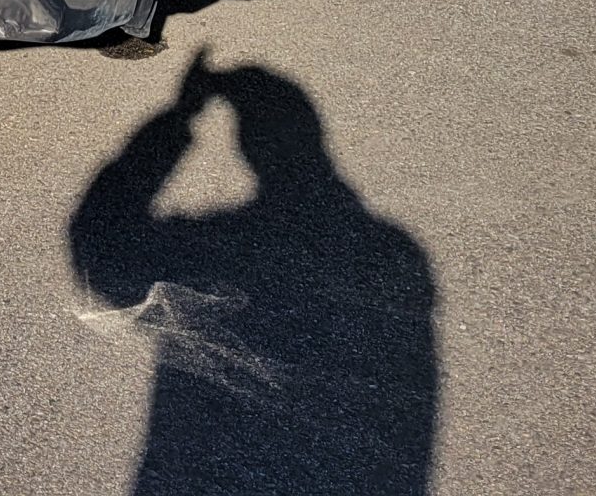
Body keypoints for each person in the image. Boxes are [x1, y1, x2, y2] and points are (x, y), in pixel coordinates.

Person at [68, 49, 440, 495]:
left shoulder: (213, 251)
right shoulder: (392, 251)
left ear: (245, 147)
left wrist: (177, 120)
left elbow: (99, 245)